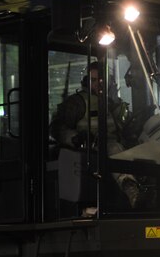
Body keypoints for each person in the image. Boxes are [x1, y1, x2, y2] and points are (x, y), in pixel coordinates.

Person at [50, 61, 147, 208]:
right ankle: (130, 188)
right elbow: (57, 127)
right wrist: (75, 138)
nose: (98, 84)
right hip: (90, 151)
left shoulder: (112, 102)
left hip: (118, 148)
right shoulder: (77, 103)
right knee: (113, 147)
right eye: (94, 80)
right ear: (87, 81)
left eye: (102, 80)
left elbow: (127, 125)